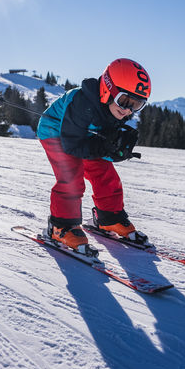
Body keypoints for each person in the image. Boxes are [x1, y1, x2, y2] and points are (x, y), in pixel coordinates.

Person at [36, 58, 151, 252]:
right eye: (124, 100)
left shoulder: (114, 109)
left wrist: (115, 151)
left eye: (137, 105)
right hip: (55, 133)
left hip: (85, 138)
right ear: (108, 88)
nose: (127, 110)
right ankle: (61, 226)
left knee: (106, 173)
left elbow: (101, 145)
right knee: (71, 177)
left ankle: (110, 218)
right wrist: (103, 147)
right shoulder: (82, 102)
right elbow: (72, 145)